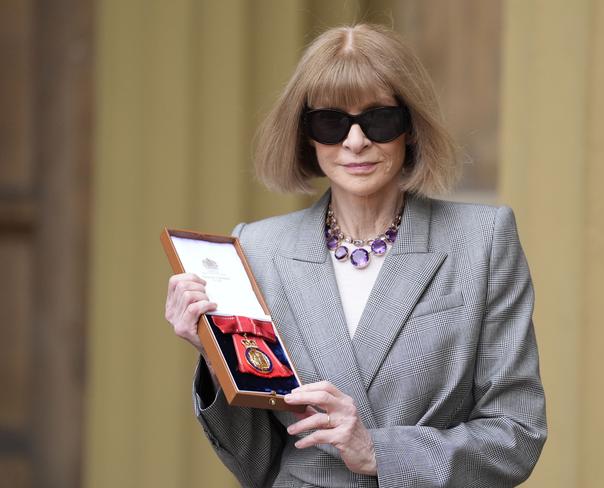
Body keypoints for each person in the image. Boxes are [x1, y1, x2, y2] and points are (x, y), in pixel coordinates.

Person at [165, 23, 546, 487]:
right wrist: (215, 355)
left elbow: (517, 433)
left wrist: (378, 451)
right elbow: (258, 462)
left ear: (410, 127)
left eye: (379, 119)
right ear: (306, 134)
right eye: (330, 121)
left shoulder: (482, 241)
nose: (355, 142)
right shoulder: (257, 250)